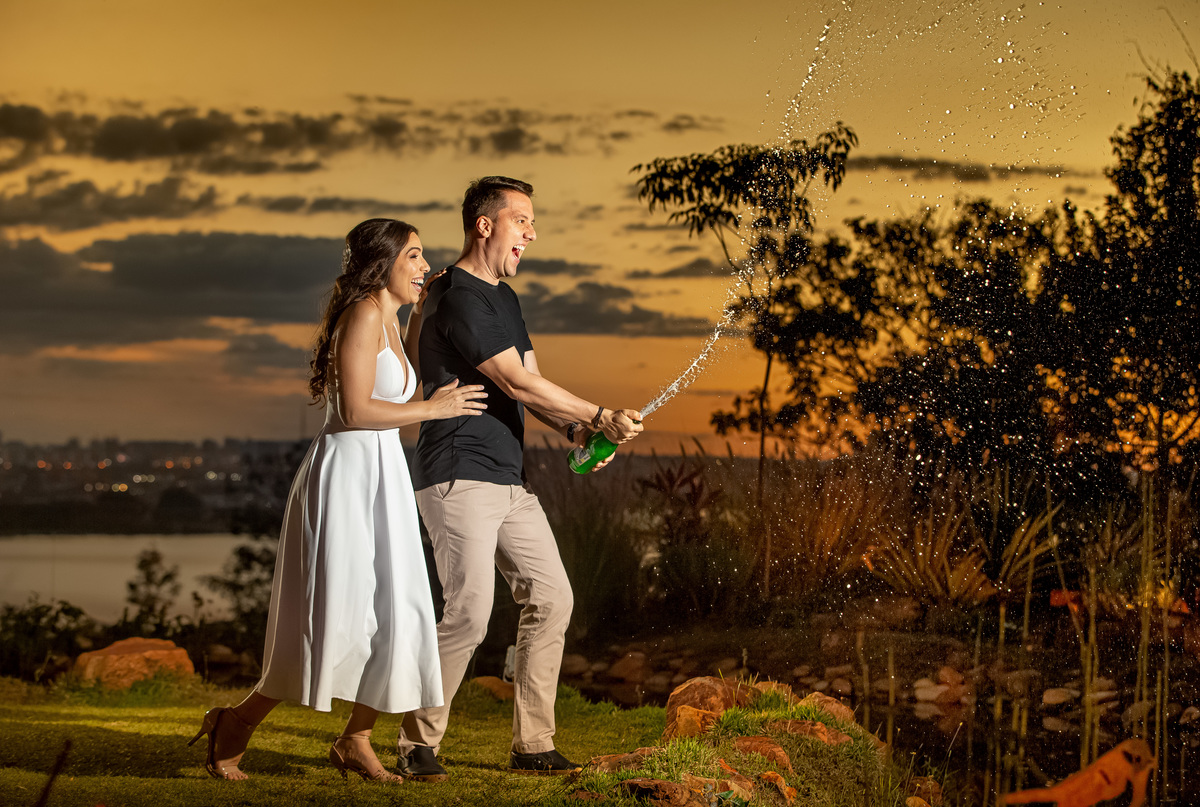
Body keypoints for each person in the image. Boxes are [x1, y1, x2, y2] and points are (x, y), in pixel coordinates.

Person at [188, 218, 487, 782]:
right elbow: (355, 412)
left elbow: (397, 388)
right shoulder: (364, 314)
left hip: (382, 479)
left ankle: (357, 738)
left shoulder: (395, 320)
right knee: (332, 617)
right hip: (345, 482)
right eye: (415, 256)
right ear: (384, 264)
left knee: (398, 611)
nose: (425, 266)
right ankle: (236, 722)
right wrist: (435, 410)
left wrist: (427, 308)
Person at [395, 176, 643, 781]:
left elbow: (533, 381)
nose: (532, 233)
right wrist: (598, 413)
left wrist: (578, 434)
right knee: (471, 612)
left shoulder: (504, 299)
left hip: (508, 477)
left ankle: (533, 743)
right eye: (522, 221)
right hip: (456, 474)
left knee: (553, 597)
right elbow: (515, 381)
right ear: (486, 225)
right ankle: (415, 742)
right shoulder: (454, 295)